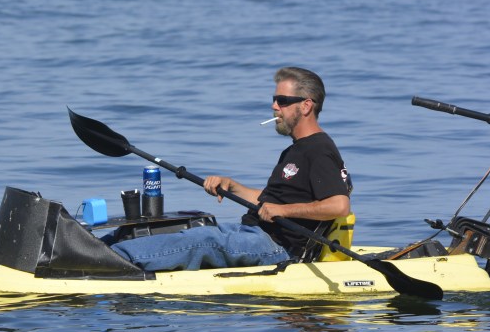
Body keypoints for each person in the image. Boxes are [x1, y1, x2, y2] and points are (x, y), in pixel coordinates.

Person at [109, 67, 352, 271]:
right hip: (251, 232)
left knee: (203, 239)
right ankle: (99, 247)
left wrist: (283, 210)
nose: (274, 107)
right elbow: (270, 201)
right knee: (194, 225)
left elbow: (338, 205)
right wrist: (233, 186)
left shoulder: (319, 149)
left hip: (276, 248)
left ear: (306, 106)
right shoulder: (295, 150)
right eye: (274, 100)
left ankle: (110, 262)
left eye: (283, 101)